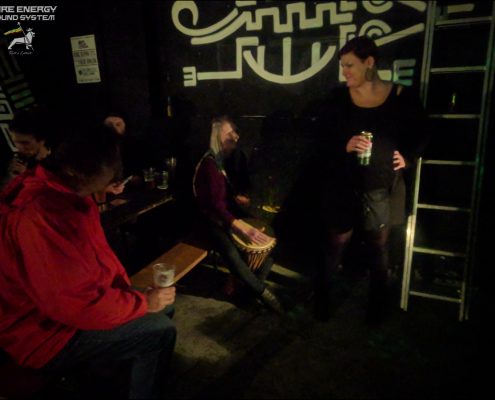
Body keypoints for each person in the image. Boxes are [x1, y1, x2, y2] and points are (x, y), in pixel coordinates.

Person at [0, 125, 176, 398]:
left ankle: (111, 378)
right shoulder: (42, 214)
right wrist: (142, 303)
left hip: (74, 308)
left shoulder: (65, 192)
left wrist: (133, 298)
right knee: (160, 331)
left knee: (164, 307)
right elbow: (71, 302)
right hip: (45, 335)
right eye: (112, 165)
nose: (117, 172)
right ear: (81, 171)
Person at [314, 36, 428, 324]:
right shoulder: (338, 99)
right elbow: (319, 136)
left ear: (369, 62)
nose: (344, 72)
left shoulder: (400, 96)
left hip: (380, 186)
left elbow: (423, 132)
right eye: (342, 66)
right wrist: (344, 144)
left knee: (378, 248)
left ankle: (376, 309)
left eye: (349, 65)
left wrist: (409, 157)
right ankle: (322, 303)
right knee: (335, 244)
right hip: (343, 185)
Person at [193, 115, 284, 314]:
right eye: (230, 132)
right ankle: (263, 293)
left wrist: (237, 198)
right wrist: (240, 226)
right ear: (217, 136)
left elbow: (222, 195)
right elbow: (214, 205)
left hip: (224, 214)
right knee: (231, 252)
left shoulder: (223, 159)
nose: (235, 136)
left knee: (270, 244)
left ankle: (249, 291)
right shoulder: (209, 164)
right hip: (208, 219)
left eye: (235, 132)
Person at [0, 108, 55, 190]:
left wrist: (26, 176)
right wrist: (12, 178)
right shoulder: (16, 161)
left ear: (41, 140)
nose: (18, 147)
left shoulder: (57, 162)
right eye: (15, 142)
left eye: (25, 143)